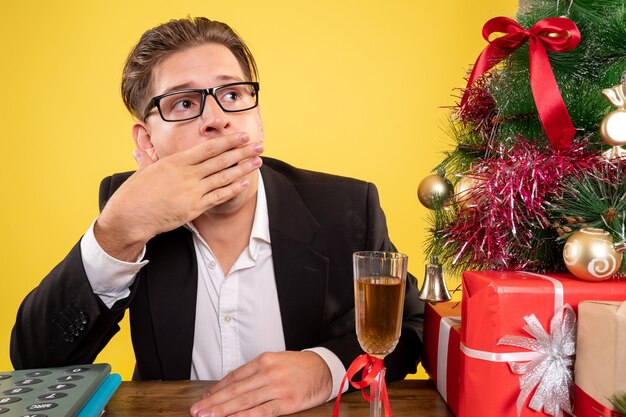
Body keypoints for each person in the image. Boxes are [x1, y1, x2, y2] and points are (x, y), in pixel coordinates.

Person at [11, 16, 424, 417]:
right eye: (185, 103)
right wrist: (117, 233)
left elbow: (413, 326)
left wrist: (329, 369)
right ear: (147, 141)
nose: (216, 120)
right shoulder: (125, 209)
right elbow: (36, 364)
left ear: (256, 118)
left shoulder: (347, 207)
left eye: (232, 95)